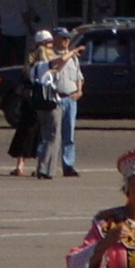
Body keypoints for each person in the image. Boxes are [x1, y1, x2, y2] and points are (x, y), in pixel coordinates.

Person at [5, 32, 47, 177]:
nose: (50, 45)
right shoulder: (40, 59)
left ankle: (22, 166)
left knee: (30, 132)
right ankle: (26, 166)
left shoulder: (33, 58)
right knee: (35, 132)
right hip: (36, 99)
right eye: (48, 42)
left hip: (31, 100)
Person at [49, 30, 87, 178]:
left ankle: (68, 165)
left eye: (68, 38)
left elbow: (79, 76)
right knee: (51, 135)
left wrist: (79, 91)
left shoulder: (74, 58)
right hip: (56, 98)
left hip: (71, 99)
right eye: (63, 38)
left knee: (69, 135)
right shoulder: (52, 55)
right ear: (56, 39)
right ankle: (46, 165)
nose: (66, 41)